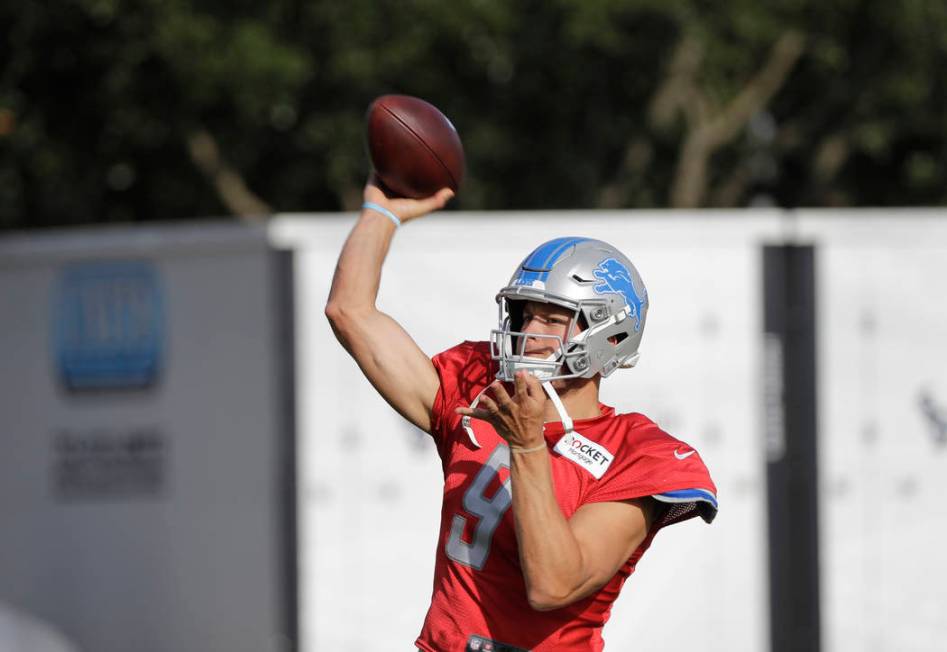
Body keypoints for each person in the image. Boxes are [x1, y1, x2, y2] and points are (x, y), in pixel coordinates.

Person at [325, 176, 718, 652]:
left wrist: (527, 444)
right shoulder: (482, 393)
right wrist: (381, 214)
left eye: (552, 318)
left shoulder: (636, 452)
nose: (530, 331)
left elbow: (554, 585)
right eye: (524, 314)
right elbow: (349, 312)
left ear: (611, 335)